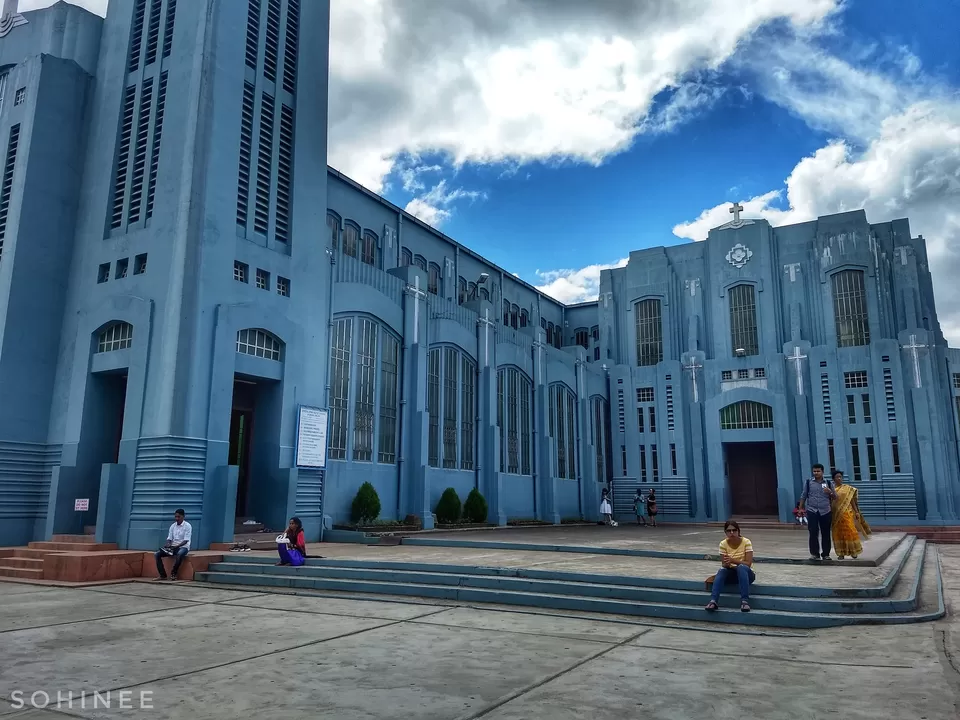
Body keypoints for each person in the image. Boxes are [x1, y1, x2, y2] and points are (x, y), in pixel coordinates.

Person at [705, 520, 755, 613]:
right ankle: (713, 601)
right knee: (722, 570)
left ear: (738, 531)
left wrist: (733, 561)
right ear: (725, 532)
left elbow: (748, 563)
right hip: (732, 573)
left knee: (742, 567)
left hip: (747, 575)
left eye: (734, 530)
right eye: (729, 531)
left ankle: (745, 601)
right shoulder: (723, 544)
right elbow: (724, 564)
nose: (732, 533)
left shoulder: (746, 542)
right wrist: (727, 564)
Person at [830, 471, 872, 560]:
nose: (839, 478)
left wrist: (856, 512)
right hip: (835, 516)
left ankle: (854, 551)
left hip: (847, 514)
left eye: (840, 477)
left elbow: (852, 501)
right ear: (833, 478)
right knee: (838, 534)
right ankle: (841, 553)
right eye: (837, 477)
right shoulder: (831, 489)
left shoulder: (847, 489)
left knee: (850, 531)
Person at [799, 463, 836, 560]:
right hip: (812, 510)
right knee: (813, 532)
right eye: (814, 471)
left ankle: (826, 554)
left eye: (818, 471)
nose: (816, 473)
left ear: (822, 472)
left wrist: (830, 492)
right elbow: (804, 495)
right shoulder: (808, 482)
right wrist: (800, 508)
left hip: (825, 511)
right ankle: (815, 554)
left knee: (826, 533)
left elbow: (835, 497)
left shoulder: (828, 483)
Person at [155, 509, 191, 581]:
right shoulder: (173, 526)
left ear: (183, 516)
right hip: (172, 547)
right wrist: (168, 544)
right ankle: (163, 575)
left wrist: (176, 547)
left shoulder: (187, 526)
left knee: (179, 554)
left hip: (183, 547)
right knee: (157, 554)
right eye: (175, 517)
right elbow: (169, 538)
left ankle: (173, 573)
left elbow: (186, 540)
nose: (177, 519)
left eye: (179, 517)